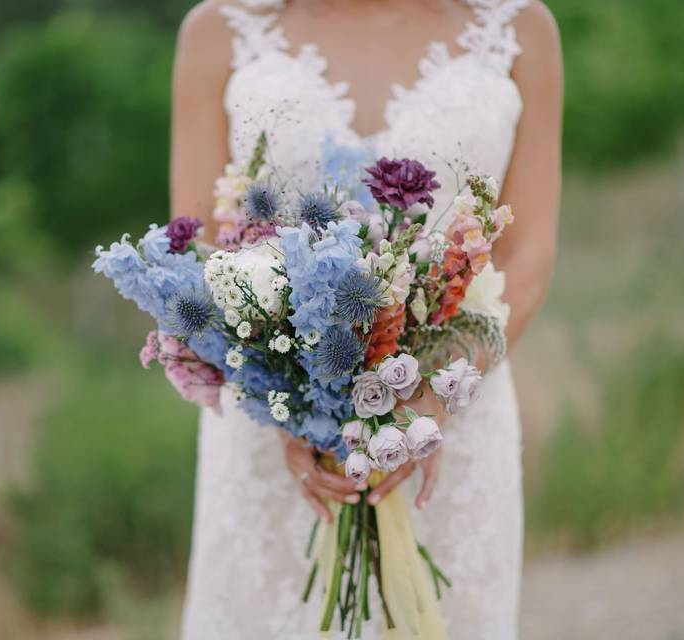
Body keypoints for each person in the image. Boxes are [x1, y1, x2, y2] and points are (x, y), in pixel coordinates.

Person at [171, 0, 562, 637]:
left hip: (456, 417)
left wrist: (432, 395)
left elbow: (529, 251)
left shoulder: (520, 31)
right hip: (273, 439)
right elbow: (194, 248)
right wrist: (290, 404)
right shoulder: (219, 32)